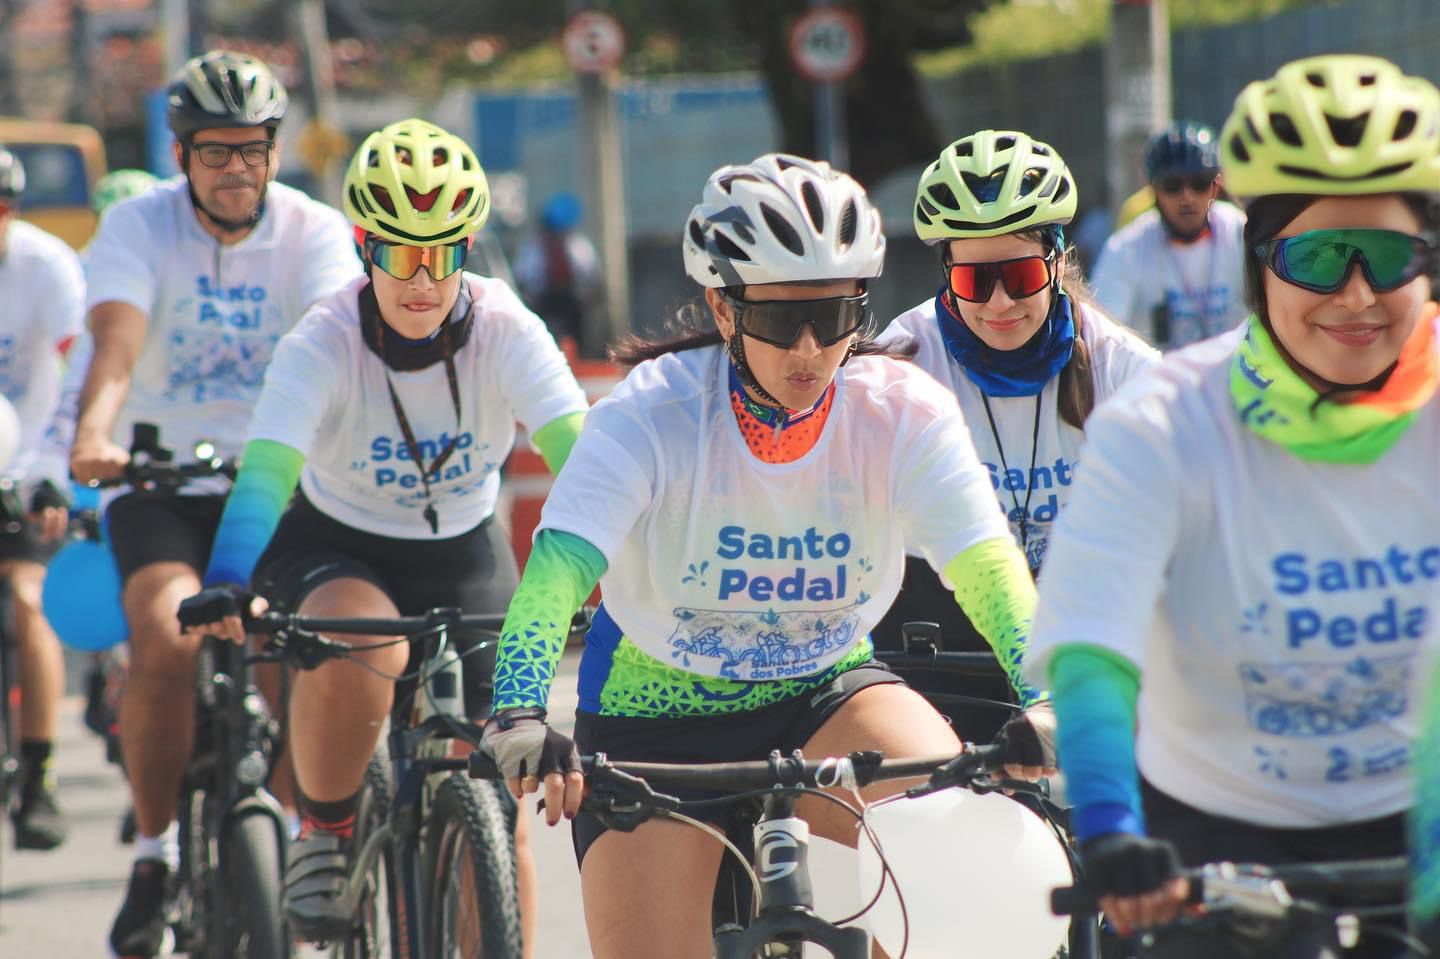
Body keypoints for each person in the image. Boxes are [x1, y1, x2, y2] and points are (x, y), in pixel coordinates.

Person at [475, 152, 1052, 959]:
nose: (811, 348)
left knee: (974, 868)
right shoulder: (653, 414)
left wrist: (1048, 691)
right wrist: (521, 708)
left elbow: (986, 565)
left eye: (836, 314)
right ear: (722, 308)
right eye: (782, 320)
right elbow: (559, 570)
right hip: (656, 710)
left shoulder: (901, 410)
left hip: (824, 688)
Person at [1028, 54, 1440, 958]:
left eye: (1389, 256)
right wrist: (1106, 824)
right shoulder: (1162, 420)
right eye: (1320, 259)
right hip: (1209, 832)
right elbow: (1095, 643)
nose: (1358, 296)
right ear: (1259, 263)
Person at [176, 117, 589, 950]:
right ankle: (325, 831)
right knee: (368, 648)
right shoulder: (323, 338)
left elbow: (585, 458)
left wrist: (622, 565)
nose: (423, 280)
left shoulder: (507, 326)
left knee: (500, 813)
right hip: (339, 543)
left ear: (468, 247)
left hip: (466, 555)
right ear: (365, 248)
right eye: (401, 254)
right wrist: (226, 573)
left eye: (444, 253)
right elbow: (267, 472)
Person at [67, 50, 362, 959]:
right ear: (181, 154)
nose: (237, 169)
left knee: (298, 655)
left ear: (274, 151)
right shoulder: (135, 227)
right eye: (215, 152)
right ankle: (155, 847)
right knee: (164, 634)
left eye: (253, 150)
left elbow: (330, 349)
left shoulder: (313, 230)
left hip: (271, 481)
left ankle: (277, 828)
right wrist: (95, 435)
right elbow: (114, 347)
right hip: (152, 478)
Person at [873, 130, 1157, 742]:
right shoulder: (901, 360)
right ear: (946, 271)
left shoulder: (1120, 366)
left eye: (1022, 275)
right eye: (975, 282)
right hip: (937, 632)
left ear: (1057, 259)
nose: (1000, 303)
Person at [0, 144, 85, 851]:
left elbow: (79, 366)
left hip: (26, 457)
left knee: (29, 598)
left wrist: (55, 466)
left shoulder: (47, 265)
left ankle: (39, 773)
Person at [1091, 121, 1249, 348]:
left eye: (1200, 183)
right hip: (1161, 379)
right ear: (1152, 189)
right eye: (1172, 185)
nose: (1187, 197)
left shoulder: (1240, 233)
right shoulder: (1126, 249)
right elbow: (1102, 339)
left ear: (1217, 185)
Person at [512, 191, 601, 353]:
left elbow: (591, 276)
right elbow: (522, 278)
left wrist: (588, 297)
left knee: (579, 332)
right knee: (543, 332)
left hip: (572, 298)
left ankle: (583, 356)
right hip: (544, 299)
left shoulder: (578, 246)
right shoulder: (533, 249)